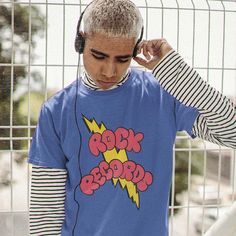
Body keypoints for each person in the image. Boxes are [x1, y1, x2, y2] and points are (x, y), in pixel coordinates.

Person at [28, 0, 236, 235]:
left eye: (122, 59)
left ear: (136, 51)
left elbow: (232, 132)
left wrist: (175, 72)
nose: (109, 71)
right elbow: (45, 214)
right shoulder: (56, 111)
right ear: (81, 42)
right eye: (99, 56)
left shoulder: (162, 95)